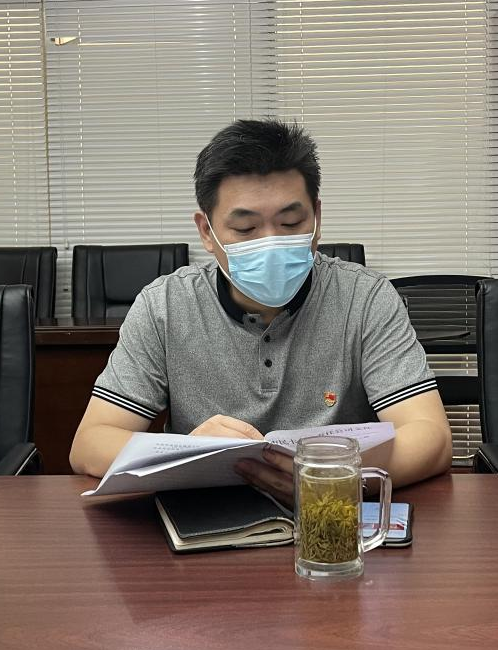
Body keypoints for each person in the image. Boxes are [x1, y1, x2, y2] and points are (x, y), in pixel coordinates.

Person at [70, 118, 452, 507]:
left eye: (291, 222)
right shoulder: (164, 306)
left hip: (331, 517)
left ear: (317, 219)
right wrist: (186, 451)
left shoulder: (366, 298)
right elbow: (90, 443)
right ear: (206, 232)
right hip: (207, 516)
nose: (271, 242)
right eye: (246, 228)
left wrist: (329, 479)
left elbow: (432, 438)